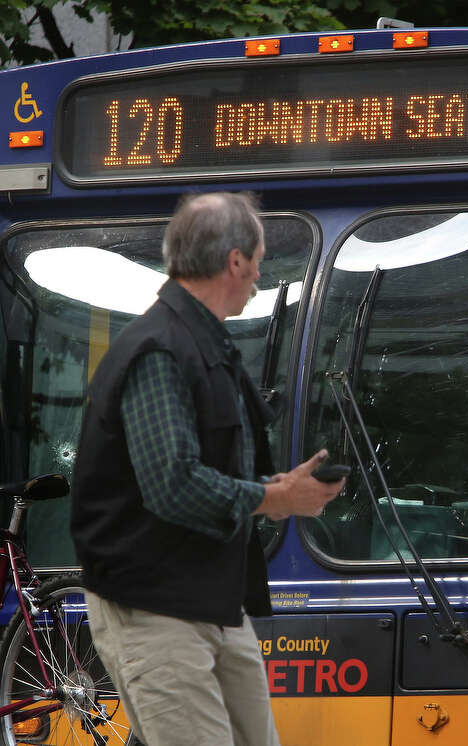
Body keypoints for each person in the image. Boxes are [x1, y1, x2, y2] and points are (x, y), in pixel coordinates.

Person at [71, 192, 344, 746]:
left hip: (214, 599)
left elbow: (206, 471)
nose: (260, 277)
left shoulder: (208, 346)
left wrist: (283, 488)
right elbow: (172, 485)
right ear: (235, 261)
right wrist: (274, 499)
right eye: (259, 261)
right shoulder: (158, 350)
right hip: (153, 606)